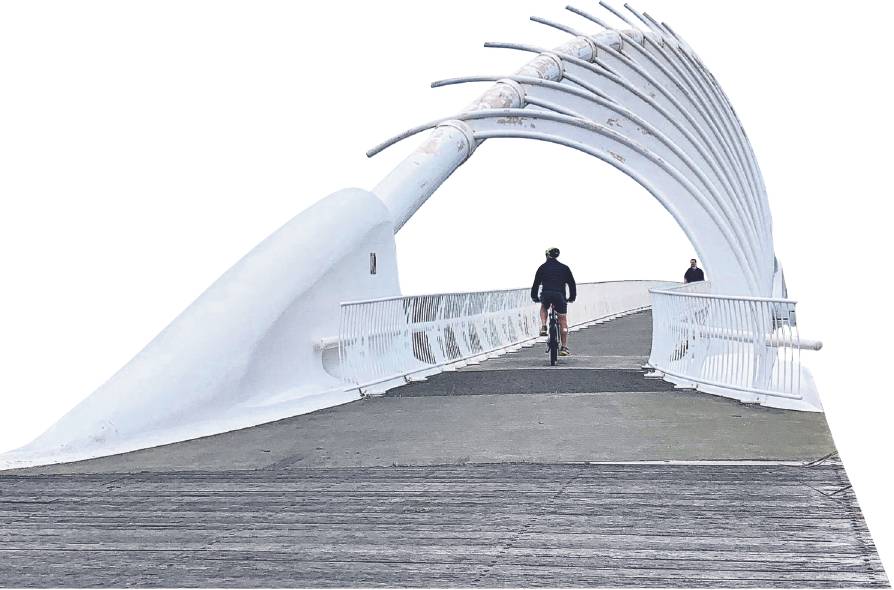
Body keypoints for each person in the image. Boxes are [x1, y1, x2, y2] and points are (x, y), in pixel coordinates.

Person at [531, 247, 577, 356]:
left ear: (547, 255)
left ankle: (543, 326)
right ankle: (564, 347)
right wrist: (571, 297)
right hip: (560, 296)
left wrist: (534, 296)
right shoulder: (565, 268)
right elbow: (571, 284)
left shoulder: (542, 268)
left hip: (546, 294)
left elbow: (536, 284)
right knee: (562, 319)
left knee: (544, 306)